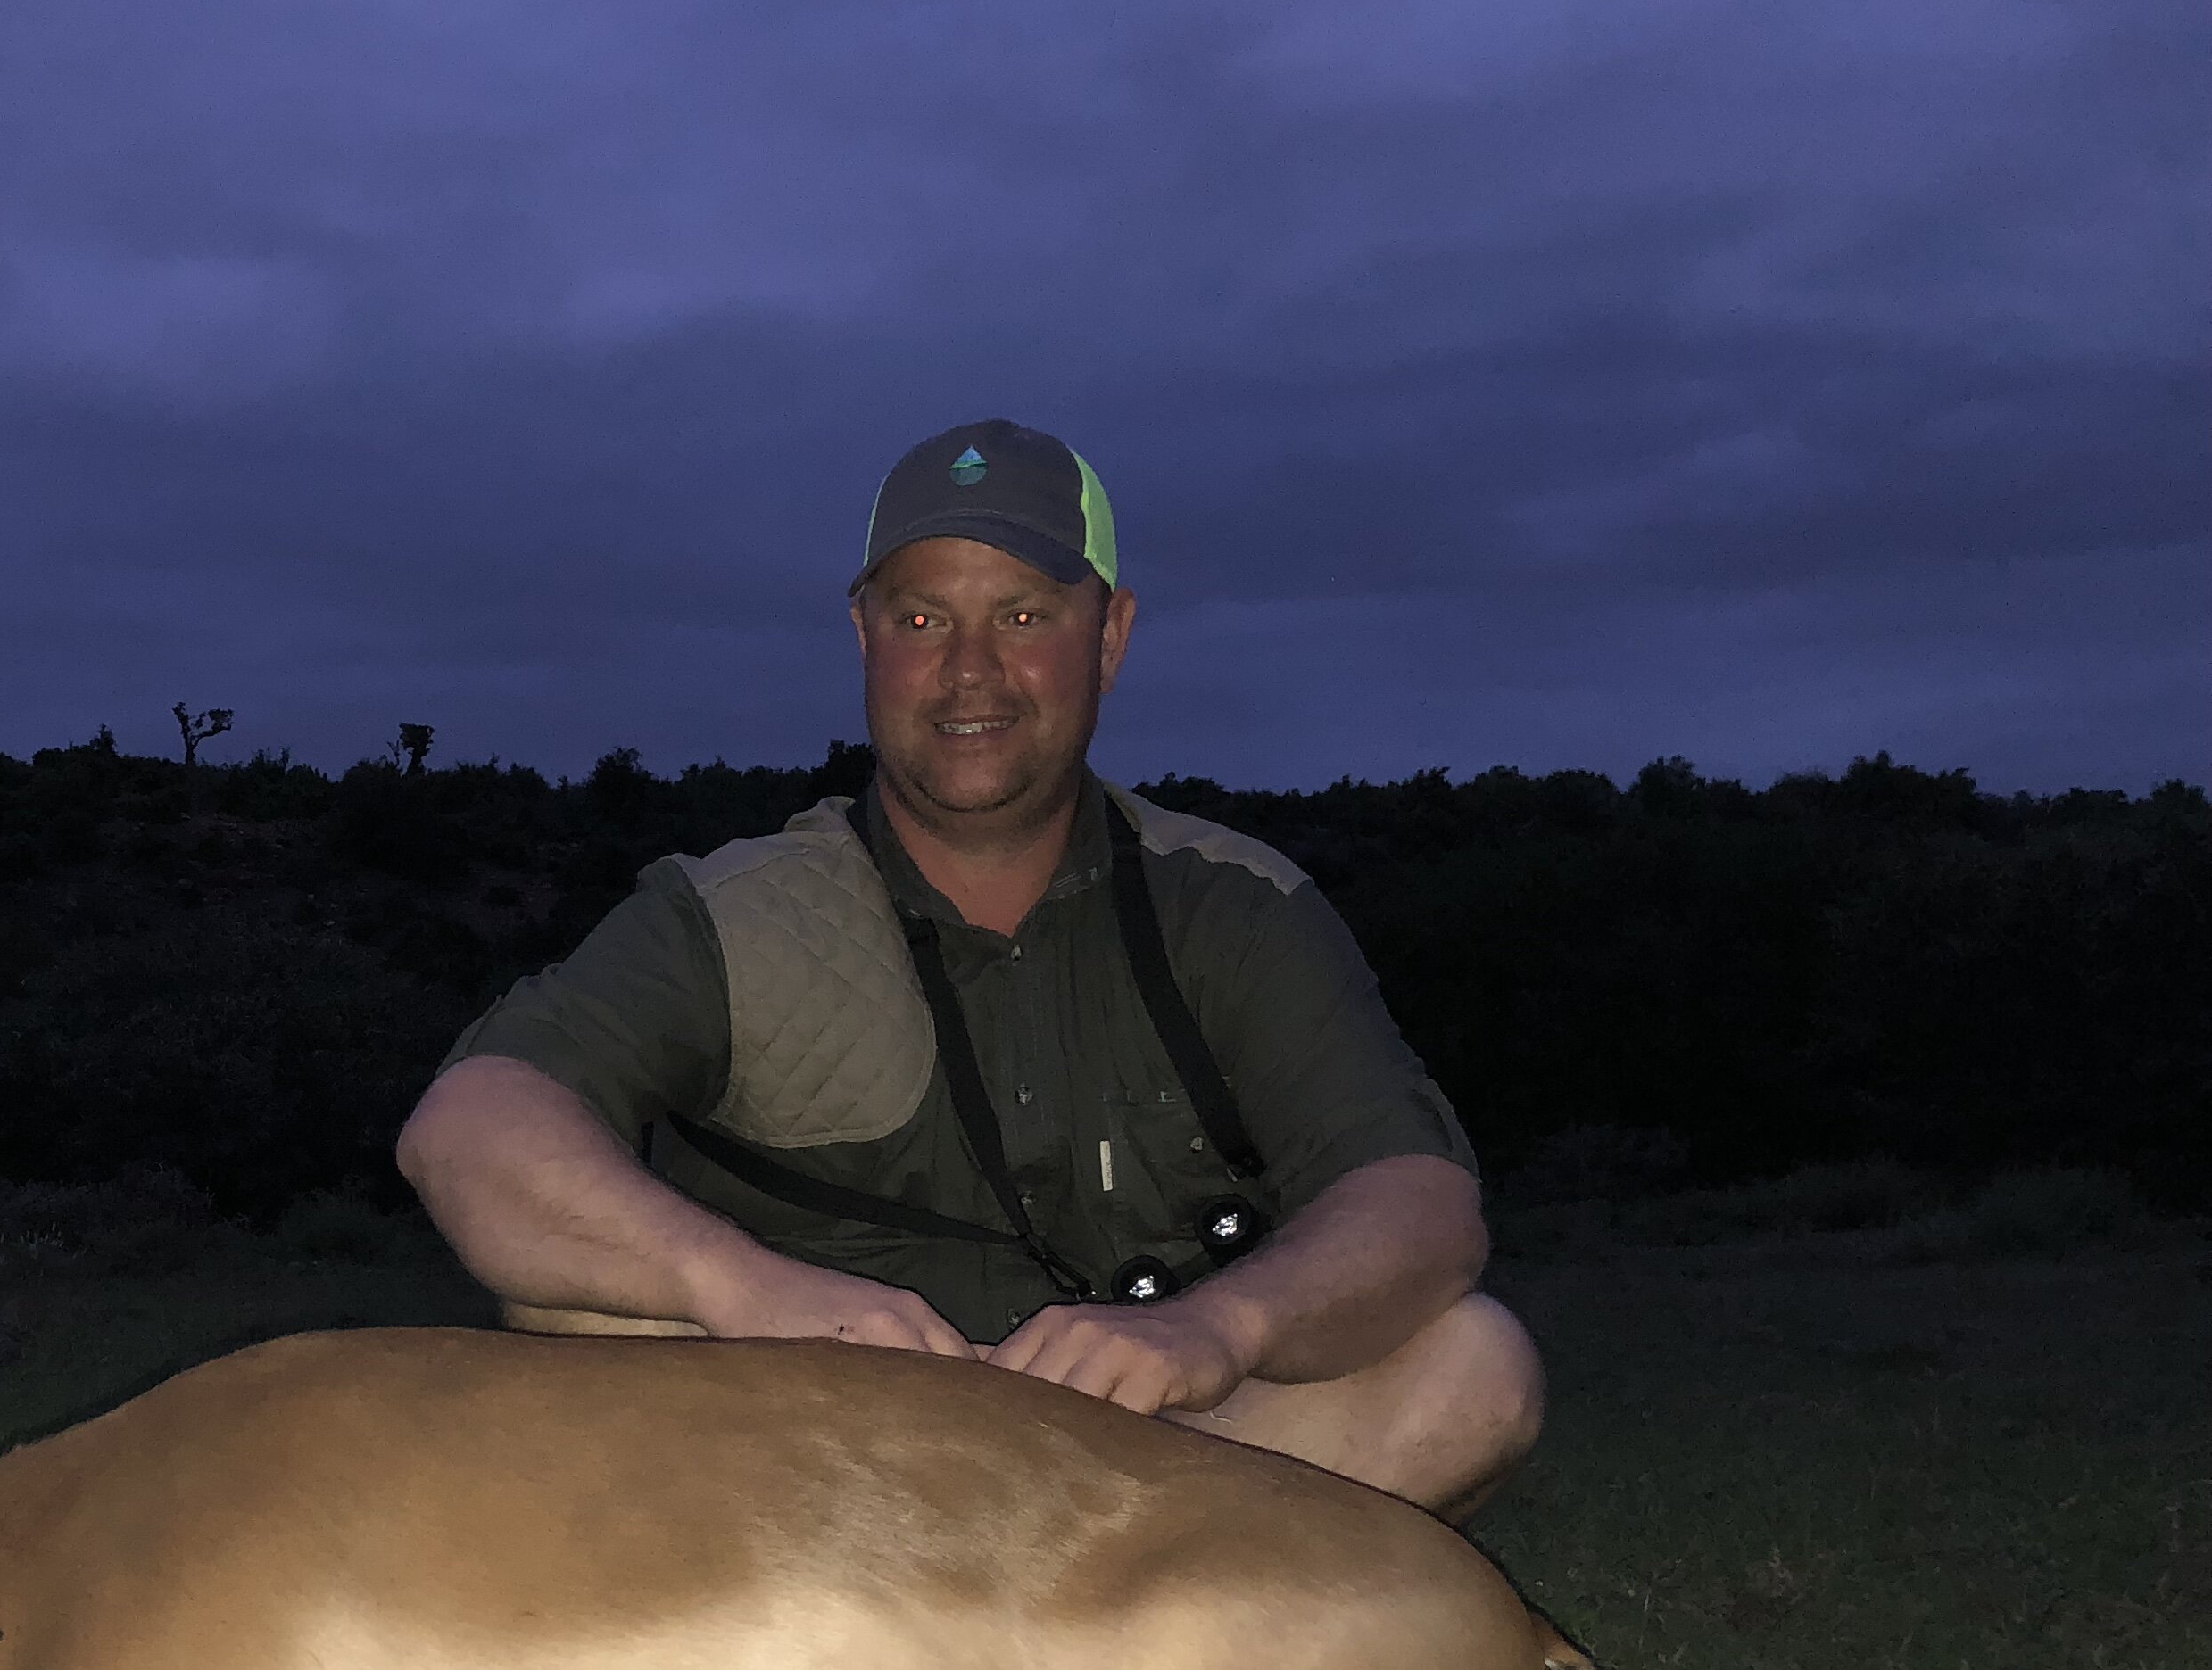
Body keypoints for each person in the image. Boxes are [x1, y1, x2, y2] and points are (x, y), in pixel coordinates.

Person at [395, 418, 1541, 1518]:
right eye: (924, 620)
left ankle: (1006, 1647)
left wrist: (1215, 1332)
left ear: (1112, 635)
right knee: (570, 1299)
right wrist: (750, 1289)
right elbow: (473, 1125)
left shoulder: (1237, 908)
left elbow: (1419, 1203)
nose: (970, 675)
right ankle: (1073, 1667)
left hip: (1141, 1481)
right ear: (864, 635)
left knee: (1472, 1368)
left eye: (1026, 615)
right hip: (812, 1470)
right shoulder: (730, 913)